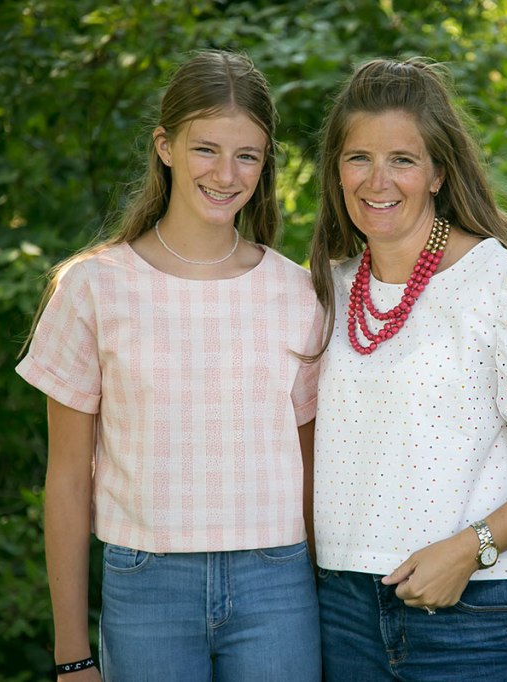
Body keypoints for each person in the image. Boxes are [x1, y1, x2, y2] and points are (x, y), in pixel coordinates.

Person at [308, 57, 507, 681]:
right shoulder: (328, 290)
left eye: (402, 159)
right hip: (342, 610)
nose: (377, 180)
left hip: (475, 613)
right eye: (358, 158)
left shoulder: (505, 289)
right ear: (336, 171)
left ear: (438, 173)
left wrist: (471, 549)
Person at [17, 50, 322, 681]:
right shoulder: (94, 287)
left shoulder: (298, 292)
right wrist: (72, 653)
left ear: (265, 163)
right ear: (165, 147)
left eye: (247, 156)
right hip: (146, 584)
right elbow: (67, 479)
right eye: (205, 149)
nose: (226, 174)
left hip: (277, 584)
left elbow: (313, 470)